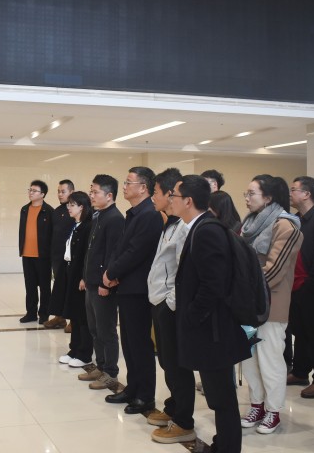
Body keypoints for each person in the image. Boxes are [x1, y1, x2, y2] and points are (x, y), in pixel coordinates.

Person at [174, 175, 251, 453]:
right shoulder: (200, 227)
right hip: (209, 326)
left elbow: (213, 284)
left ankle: (228, 447)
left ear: (188, 201)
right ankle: (223, 444)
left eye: (174, 195)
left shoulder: (207, 230)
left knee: (222, 397)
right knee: (219, 396)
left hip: (213, 329)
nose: (171, 200)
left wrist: (192, 316)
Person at [239, 175, 303, 434]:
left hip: (271, 304)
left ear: (268, 197)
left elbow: (274, 270)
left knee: (270, 360)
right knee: (250, 360)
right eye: (246, 193)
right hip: (247, 303)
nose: (247, 198)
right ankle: (257, 404)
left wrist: (242, 286)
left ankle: (273, 410)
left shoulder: (286, 226)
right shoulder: (249, 223)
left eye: (251, 193)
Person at [104, 167, 163, 415]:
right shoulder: (134, 213)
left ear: (143, 188)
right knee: (129, 343)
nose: (125, 186)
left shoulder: (149, 215)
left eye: (129, 182)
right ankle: (133, 388)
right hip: (127, 286)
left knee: (140, 344)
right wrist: (112, 271)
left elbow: (136, 252)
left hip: (139, 289)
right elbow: (121, 248)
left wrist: (112, 273)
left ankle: (145, 396)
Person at [146, 168, 197, 444]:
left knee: (177, 365)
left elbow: (183, 272)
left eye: (155, 192)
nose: (153, 197)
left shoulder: (185, 228)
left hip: (169, 305)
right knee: (166, 361)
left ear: (170, 194)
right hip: (159, 301)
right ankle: (173, 407)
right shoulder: (169, 223)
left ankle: (184, 421)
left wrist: (170, 303)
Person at [286, 176, 314, 399]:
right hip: (294, 283)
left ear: (307, 194)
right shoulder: (295, 219)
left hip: (311, 285)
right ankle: (300, 371)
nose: (290, 193)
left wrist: (312, 282)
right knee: (299, 330)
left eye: (294, 189)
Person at [80, 174, 124, 390]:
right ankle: (100, 365)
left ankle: (111, 373)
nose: (92, 195)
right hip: (91, 282)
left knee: (107, 331)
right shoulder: (98, 215)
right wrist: (85, 276)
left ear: (109, 195)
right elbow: (92, 252)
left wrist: (105, 284)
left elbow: (112, 255)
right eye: (91, 191)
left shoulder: (115, 219)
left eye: (95, 192)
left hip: (103, 285)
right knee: (94, 329)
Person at [57, 191, 93, 367]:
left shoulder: (87, 226)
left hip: (80, 276)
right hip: (71, 272)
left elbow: (87, 255)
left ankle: (84, 353)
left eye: (72, 205)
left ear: (82, 207)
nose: (69, 208)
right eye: (68, 205)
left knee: (82, 316)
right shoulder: (76, 225)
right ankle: (74, 349)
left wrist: (84, 277)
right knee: (74, 315)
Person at [18, 180, 54, 323]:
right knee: (30, 286)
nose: (31, 193)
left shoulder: (49, 211)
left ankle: (44, 314)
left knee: (45, 287)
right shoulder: (24, 209)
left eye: (34, 191)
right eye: (30, 190)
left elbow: (52, 234)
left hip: (43, 256)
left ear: (42, 194)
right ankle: (31, 313)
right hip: (26, 254)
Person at [45, 180, 76, 329]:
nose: (60, 194)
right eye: (58, 191)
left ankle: (74, 320)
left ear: (71, 192)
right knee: (59, 288)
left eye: (63, 191)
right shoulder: (56, 211)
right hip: (57, 257)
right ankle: (60, 317)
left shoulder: (76, 210)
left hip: (71, 258)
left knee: (72, 289)